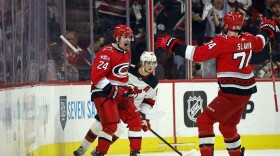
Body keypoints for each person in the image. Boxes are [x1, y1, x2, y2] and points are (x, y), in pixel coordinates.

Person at [156, 12, 276, 156]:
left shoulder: (222, 41)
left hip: (231, 92)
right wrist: (267, 28)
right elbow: (260, 41)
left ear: (226, 25)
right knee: (227, 127)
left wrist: (172, 45)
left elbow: (197, 54)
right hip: (246, 91)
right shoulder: (249, 38)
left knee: (204, 120)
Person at [73, 51, 159, 156]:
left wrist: (143, 116)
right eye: (148, 63)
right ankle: (83, 148)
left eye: (153, 63)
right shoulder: (127, 69)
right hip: (114, 100)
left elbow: (148, 101)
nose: (151, 66)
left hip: (129, 107)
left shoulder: (154, 82)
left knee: (120, 129)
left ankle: (98, 151)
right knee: (100, 124)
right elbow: (111, 77)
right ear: (142, 62)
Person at [88, 24, 144, 156]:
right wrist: (112, 89)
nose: (128, 40)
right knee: (111, 125)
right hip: (103, 92)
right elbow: (97, 77)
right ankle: (99, 153)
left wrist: (127, 87)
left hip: (119, 92)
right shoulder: (107, 52)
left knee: (136, 121)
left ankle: (135, 153)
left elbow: (121, 75)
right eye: (125, 37)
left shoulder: (127, 53)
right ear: (117, 37)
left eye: (130, 37)